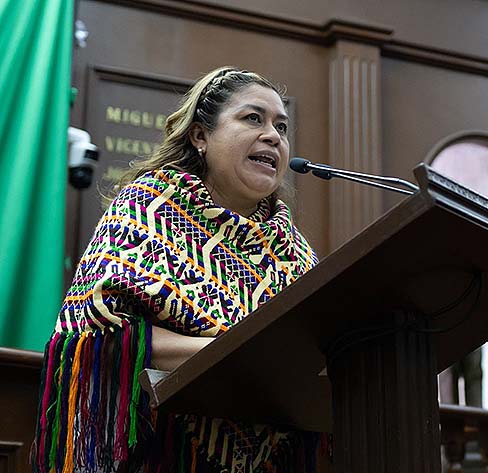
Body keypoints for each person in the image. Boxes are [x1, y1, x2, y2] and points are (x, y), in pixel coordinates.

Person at [32, 67, 326, 473]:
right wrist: (239, 355)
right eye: (253, 118)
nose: (273, 136)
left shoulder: (293, 249)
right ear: (200, 136)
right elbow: (96, 333)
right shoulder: (147, 208)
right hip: (159, 449)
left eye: (281, 126)